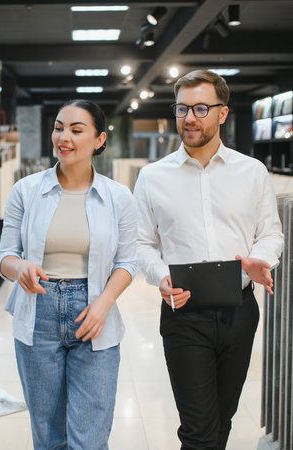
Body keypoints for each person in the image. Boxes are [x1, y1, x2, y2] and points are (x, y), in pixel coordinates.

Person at [133, 69, 284, 450]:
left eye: (201, 108)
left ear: (223, 113)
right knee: (198, 431)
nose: (189, 118)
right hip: (184, 313)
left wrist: (259, 259)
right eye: (182, 108)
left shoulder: (252, 172)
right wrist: (160, 277)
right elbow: (140, 243)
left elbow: (271, 232)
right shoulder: (153, 177)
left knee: (221, 423)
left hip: (240, 312)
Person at [0, 99, 137, 449]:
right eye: (59, 127)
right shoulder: (26, 190)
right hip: (37, 315)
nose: (64, 137)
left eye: (77, 130)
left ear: (99, 139)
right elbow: (4, 256)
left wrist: (105, 302)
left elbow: (127, 262)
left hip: (94, 316)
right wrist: (21, 267)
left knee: (89, 438)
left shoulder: (118, 197)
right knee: (48, 436)